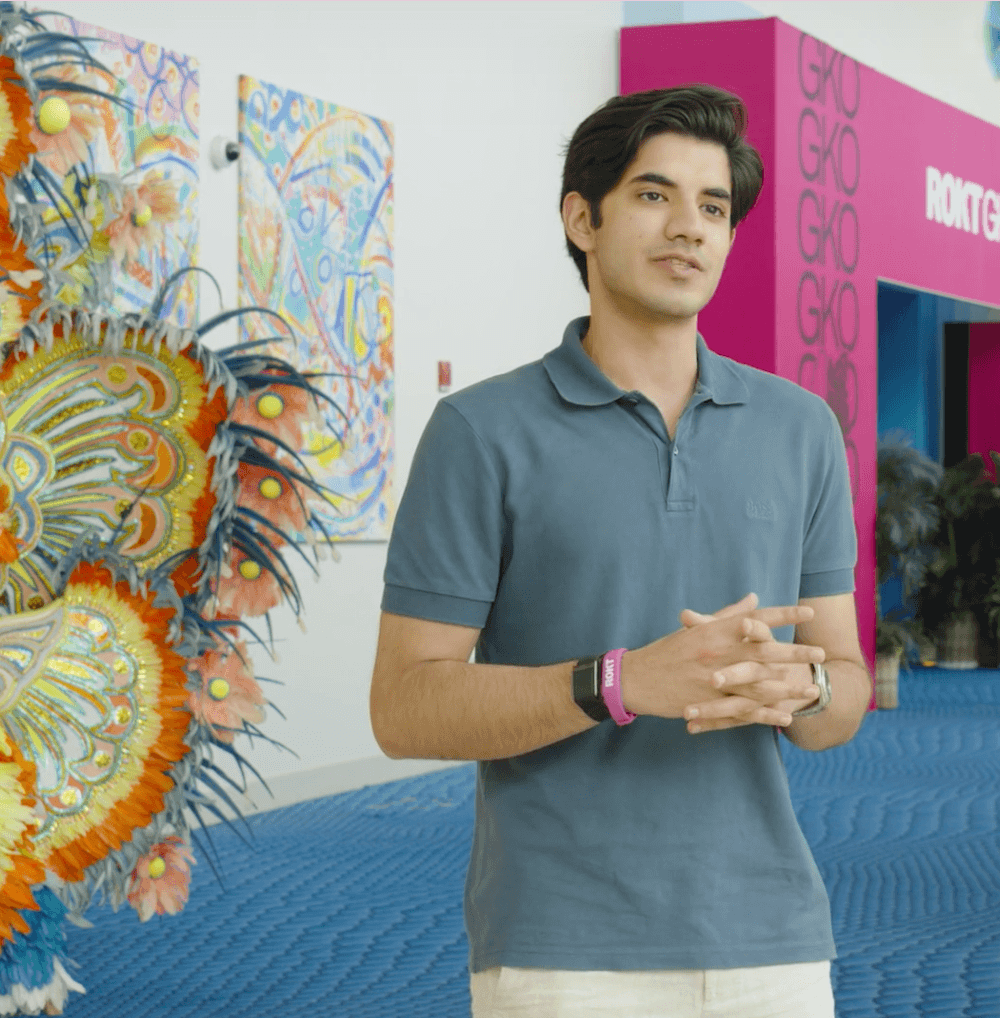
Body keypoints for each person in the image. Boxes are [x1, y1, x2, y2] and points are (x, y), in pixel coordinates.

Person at [369, 84, 868, 1018]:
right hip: (563, 950)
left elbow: (842, 693)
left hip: (775, 944)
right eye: (653, 194)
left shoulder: (802, 431)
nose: (689, 227)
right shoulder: (481, 432)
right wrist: (621, 683)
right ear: (581, 218)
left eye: (713, 207)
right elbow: (404, 706)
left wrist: (802, 690)